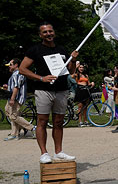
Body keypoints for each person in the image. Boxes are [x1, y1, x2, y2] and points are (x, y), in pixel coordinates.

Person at [19, 22, 77, 164]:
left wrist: (73, 60)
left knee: (58, 122)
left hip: (62, 90)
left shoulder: (62, 50)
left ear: (54, 33)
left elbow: (70, 71)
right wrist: (41, 78)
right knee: (42, 121)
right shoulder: (35, 50)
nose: (48, 34)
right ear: (40, 35)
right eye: (45, 32)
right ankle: (44, 153)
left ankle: (59, 152)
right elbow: (22, 69)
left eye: (50, 31)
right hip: (43, 90)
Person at [3, 58, 36, 141]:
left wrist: (12, 99)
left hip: (17, 98)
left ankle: (32, 128)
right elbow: (14, 87)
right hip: (13, 97)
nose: (9, 67)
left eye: (10, 65)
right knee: (7, 111)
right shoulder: (15, 74)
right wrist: (7, 87)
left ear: (16, 65)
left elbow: (16, 87)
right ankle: (16, 133)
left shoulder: (17, 74)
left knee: (14, 116)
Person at [72, 62, 94, 127]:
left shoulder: (86, 75)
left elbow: (88, 83)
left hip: (86, 90)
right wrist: (75, 67)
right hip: (80, 90)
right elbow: (71, 75)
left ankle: (85, 121)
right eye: (80, 67)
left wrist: (92, 84)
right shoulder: (76, 75)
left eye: (82, 67)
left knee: (85, 107)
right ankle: (80, 121)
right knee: (80, 106)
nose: (81, 69)